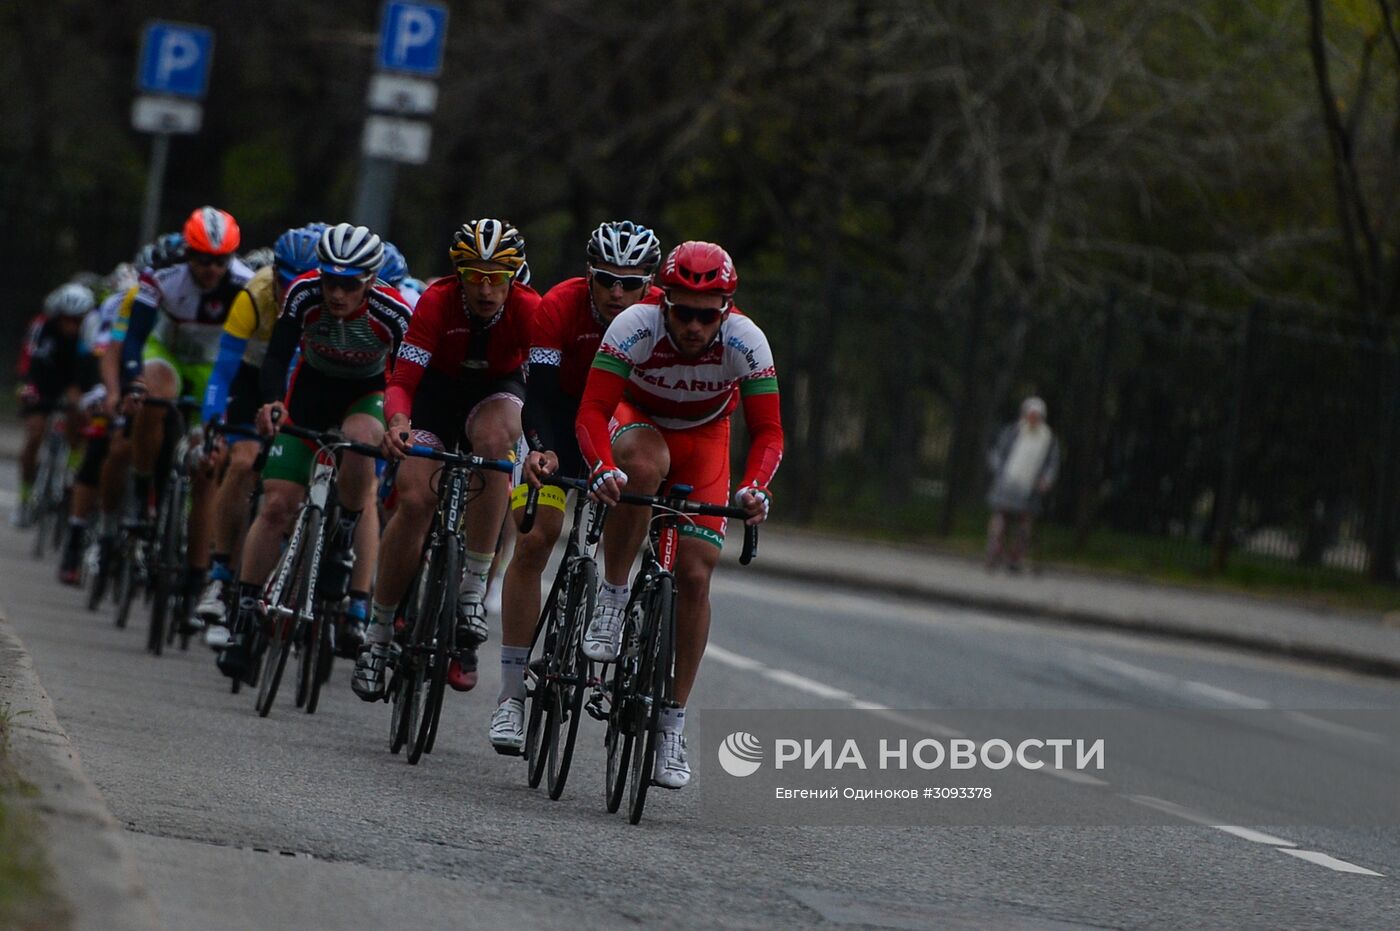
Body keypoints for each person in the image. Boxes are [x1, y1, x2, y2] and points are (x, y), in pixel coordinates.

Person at [576, 241, 784, 789]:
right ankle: (614, 599)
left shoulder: (746, 340)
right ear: (662, 302)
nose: (693, 326)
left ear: (726, 309)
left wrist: (755, 488)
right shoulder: (635, 327)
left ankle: (671, 725)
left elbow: (768, 431)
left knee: (695, 573)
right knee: (644, 468)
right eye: (682, 312)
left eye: (707, 314)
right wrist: (600, 467)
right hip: (640, 421)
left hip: (706, 439)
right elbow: (593, 410)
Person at [487, 220, 663, 752]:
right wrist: (539, 445)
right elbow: (536, 394)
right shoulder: (559, 306)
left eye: (631, 284)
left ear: (649, 286)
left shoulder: (663, 316)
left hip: (621, 418)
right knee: (539, 535)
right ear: (589, 275)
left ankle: (616, 606)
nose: (617, 293)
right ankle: (512, 696)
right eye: (607, 279)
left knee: (640, 492)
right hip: (558, 422)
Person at [352, 219, 540, 702]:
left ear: (514, 277)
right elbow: (403, 379)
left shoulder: (528, 309)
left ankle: (474, 587)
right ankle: (377, 636)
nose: (485, 287)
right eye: (474, 275)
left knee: (498, 446)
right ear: (458, 274)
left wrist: (541, 443)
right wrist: (397, 423)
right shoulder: (436, 302)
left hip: (496, 392)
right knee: (415, 498)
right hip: (436, 393)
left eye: (498, 276)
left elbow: (544, 389)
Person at [218, 223, 410, 680]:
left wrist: (401, 425)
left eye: (348, 285)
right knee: (277, 504)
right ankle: (245, 621)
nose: (336, 294)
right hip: (309, 391)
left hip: (366, 393)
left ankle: (343, 537)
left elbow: (405, 378)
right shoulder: (304, 294)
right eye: (329, 281)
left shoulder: (392, 311)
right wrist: (271, 402)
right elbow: (277, 358)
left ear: (369, 281)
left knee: (362, 438)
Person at [119, 207, 252, 619]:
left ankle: (196, 573)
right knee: (155, 394)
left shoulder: (246, 285)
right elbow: (135, 338)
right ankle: (143, 489)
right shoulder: (161, 276)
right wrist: (132, 384)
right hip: (168, 354)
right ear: (187, 252)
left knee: (207, 467)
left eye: (219, 260)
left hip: (215, 367)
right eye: (201, 258)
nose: (210, 268)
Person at [195, 225, 322, 647]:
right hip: (253, 376)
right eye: (287, 279)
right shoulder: (256, 292)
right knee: (244, 461)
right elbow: (225, 363)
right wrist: (215, 418)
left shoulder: (330, 299)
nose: (294, 290)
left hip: (303, 379)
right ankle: (218, 575)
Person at [16, 283, 96, 530]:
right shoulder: (42, 327)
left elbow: (89, 372)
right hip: (42, 383)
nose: (71, 325)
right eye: (66, 319)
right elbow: (28, 360)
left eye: (76, 320)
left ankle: (72, 471)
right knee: (35, 433)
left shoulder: (89, 335)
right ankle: (25, 497)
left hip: (73, 383)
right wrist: (26, 387)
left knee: (79, 417)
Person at [985, 396, 1060, 573]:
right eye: (1031, 414)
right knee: (1000, 520)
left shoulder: (1048, 439)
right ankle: (994, 553)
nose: (1033, 419)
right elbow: (997, 453)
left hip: (1030, 488)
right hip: (1007, 483)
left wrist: (1046, 480)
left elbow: (1052, 463)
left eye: (1037, 416)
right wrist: (1000, 472)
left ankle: (1015, 558)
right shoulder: (1013, 431)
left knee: (1024, 524)